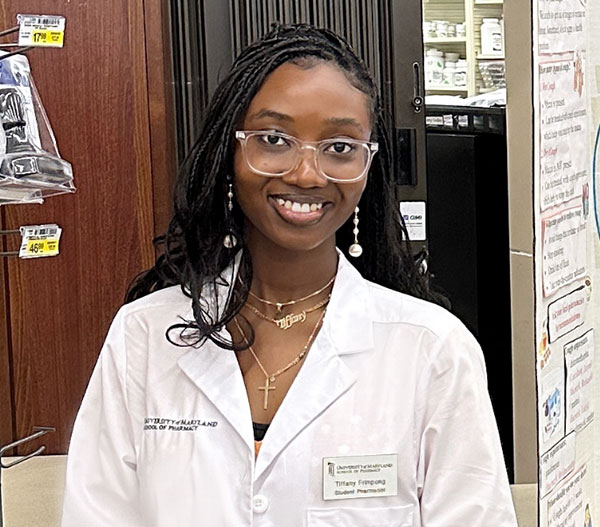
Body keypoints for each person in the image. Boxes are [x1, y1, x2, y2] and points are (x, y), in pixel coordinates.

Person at [61, 24, 517, 526]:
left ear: (369, 166)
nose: (306, 173)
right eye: (274, 139)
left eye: (340, 147)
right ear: (229, 152)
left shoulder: (433, 351)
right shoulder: (143, 337)